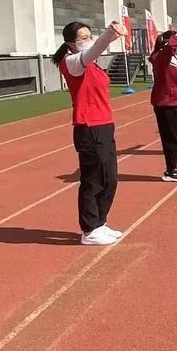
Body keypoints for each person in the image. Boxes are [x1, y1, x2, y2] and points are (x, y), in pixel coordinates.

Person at [54, 21, 128, 245]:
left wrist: (109, 37)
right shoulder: (72, 63)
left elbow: (94, 51)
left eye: (89, 36)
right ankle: (89, 229)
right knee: (94, 180)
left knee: (109, 178)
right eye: (82, 38)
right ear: (70, 44)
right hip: (89, 126)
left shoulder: (92, 64)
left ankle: (99, 222)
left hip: (104, 124)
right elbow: (94, 50)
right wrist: (109, 35)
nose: (88, 41)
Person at [150, 29, 177, 182]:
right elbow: (169, 49)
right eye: (176, 42)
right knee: (171, 137)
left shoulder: (171, 57)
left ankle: (173, 167)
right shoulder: (160, 57)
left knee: (176, 136)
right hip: (166, 102)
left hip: (175, 101)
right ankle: (170, 170)